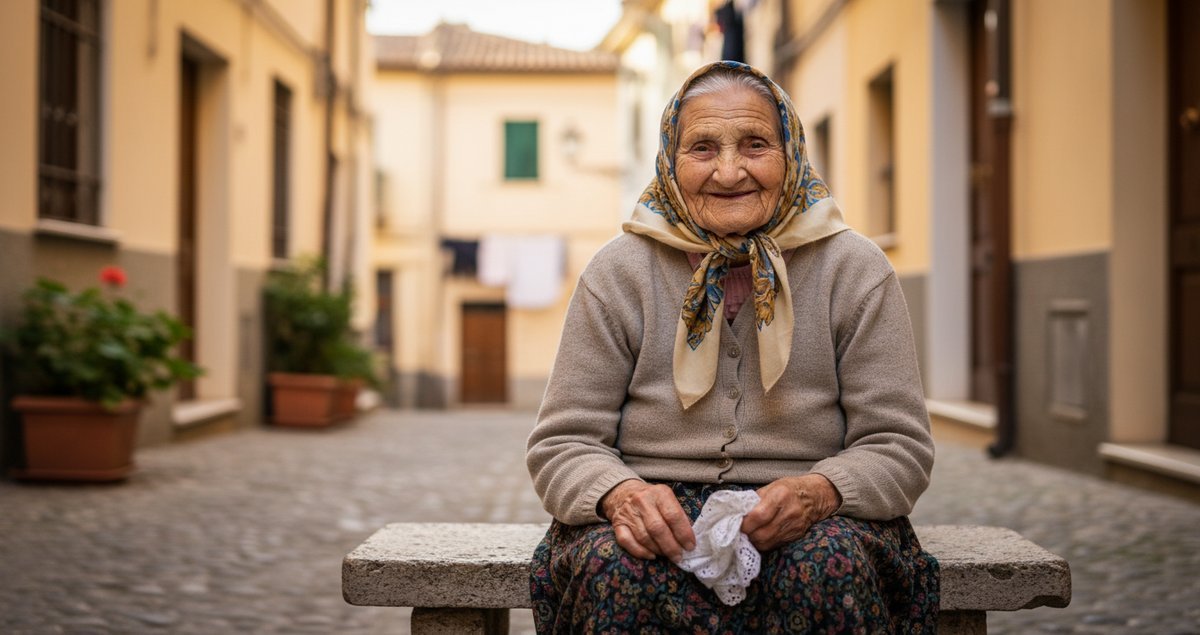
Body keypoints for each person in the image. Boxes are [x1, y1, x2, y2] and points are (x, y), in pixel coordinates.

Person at [526, 60, 939, 633]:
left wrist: (821, 491)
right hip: (656, 512)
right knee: (615, 567)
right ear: (670, 162)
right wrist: (620, 494)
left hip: (817, 515)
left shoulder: (855, 269)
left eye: (754, 145)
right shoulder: (619, 272)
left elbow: (900, 446)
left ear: (790, 152)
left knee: (827, 568)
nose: (728, 171)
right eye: (701, 148)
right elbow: (563, 442)